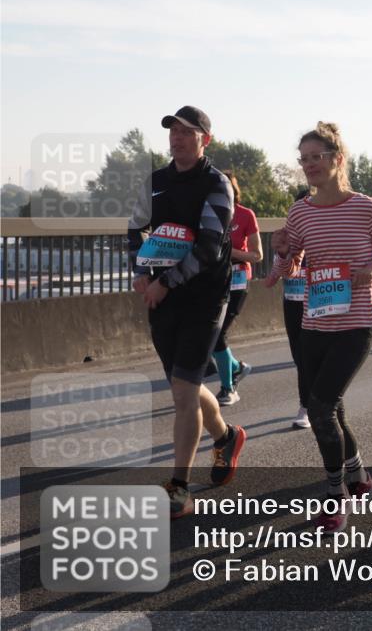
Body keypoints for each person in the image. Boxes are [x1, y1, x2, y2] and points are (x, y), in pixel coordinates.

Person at [272, 122, 372, 532]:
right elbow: (291, 263)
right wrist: (281, 258)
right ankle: (360, 478)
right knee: (331, 406)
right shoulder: (300, 211)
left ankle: (336, 495)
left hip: (356, 322)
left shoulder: (365, 207)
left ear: (337, 160)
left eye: (317, 157)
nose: (309, 165)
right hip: (315, 321)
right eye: (304, 159)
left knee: (321, 408)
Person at [128, 105, 246, 518]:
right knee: (186, 387)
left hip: (204, 299)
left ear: (204, 140)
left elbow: (210, 247)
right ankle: (226, 436)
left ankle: (179, 487)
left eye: (186, 132)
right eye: (173, 131)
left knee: (182, 391)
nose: (177, 138)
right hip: (163, 298)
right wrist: (140, 271)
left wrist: (165, 282)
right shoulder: (156, 182)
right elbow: (136, 228)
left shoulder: (216, 184)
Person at [212, 171, 261, 405]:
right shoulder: (207, 213)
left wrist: (230, 252)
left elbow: (257, 255)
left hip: (238, 279)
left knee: (218, 333)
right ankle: (236, 367)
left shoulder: (245, 214)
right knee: (210, 332)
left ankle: (228, 388)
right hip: (213, 280)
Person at [264, 188, 311, 428]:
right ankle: (312, 402)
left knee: (312, 357)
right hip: (292, 303)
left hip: (317, 304)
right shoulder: (286, 237)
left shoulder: (322, 236)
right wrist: (274, 272)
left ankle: (308, 406)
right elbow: (273, 278)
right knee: (300, 357)